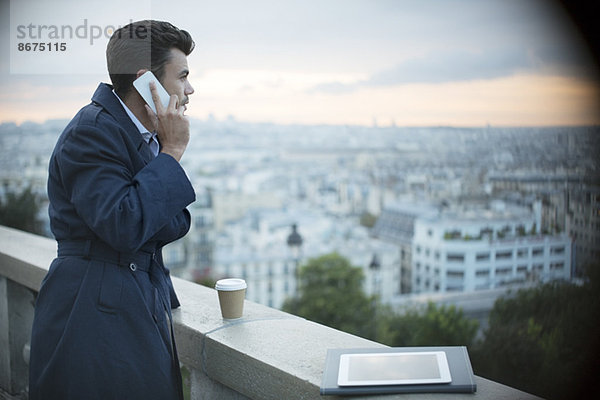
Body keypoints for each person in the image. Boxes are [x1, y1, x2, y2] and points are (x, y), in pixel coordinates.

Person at [29, 20, 195, 400]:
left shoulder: (133, 135)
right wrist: (171, 153)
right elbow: (124, 223)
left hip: (126, 303)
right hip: (92, 314)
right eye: (182, 76)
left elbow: (171, 221)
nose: (189, 90)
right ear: (145, 82)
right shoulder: (92, 132)